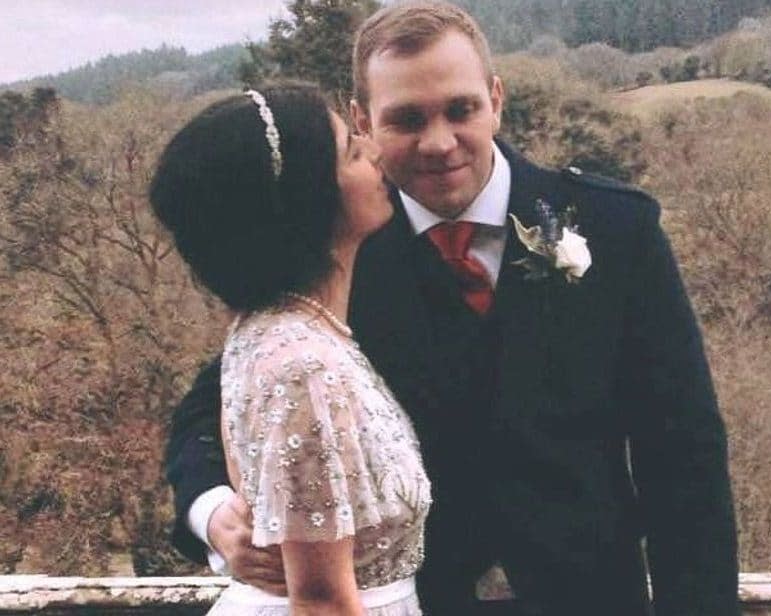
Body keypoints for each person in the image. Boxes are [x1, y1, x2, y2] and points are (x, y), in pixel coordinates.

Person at [165, 2, 740, 614]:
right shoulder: (335, 250)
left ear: (496, 98)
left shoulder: (616, 228)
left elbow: (683, 456)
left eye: (460, 109)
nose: (439, 143)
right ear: (364, 121)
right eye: (407, 119)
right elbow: (215, 406)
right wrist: (213, 511)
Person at [151, 83, 431, 615]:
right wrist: (209, 512)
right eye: (352, 147)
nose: (374, 152)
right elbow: (323, 601)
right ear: (313, 198)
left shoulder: (269, 327)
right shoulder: (303, 365)